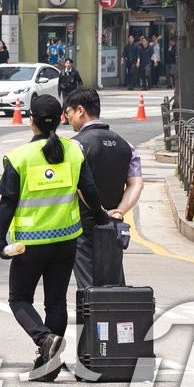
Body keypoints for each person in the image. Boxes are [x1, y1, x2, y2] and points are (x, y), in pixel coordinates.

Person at [0, 94, 109, 381]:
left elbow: (7, 202)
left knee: (19, 299)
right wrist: (100, 216)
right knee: (56, 302)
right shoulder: (73, 151)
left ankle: (44, 339)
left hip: (30, 244)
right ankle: (49, 366)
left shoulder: (20, 157)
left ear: (31, 121)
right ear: (60, 119)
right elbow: (90, 191)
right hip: (66, 240)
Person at [65, 87, 143, 289]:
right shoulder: (125, 144)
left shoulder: (75, 146)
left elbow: (79, 185)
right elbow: (136, 183)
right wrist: (119, 211)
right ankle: (118, 320)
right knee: (114, 283)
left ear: (80, 110)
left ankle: (93, 322)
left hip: (82, 227)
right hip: (114, 225)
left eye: (69, 113)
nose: (68, 118)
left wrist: (98, 211)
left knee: (89, 290)